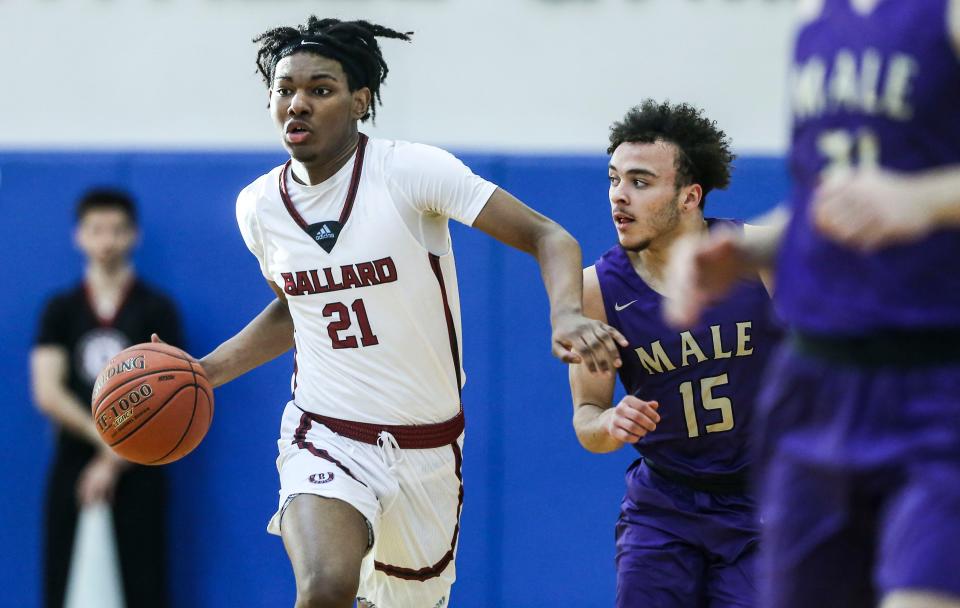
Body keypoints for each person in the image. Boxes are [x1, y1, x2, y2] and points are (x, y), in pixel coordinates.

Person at [160, 17, 624, 608]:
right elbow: (296, 308)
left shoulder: (409, 172)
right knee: (326, 586)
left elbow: (547, 235)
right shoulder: (258, 207)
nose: (297, 104)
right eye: (284, 90)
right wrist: (205, 371)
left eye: (320, 90)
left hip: (428, 447)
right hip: (325, 431)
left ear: (361, 101)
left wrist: (565, 313)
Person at [664, 1, 960, 606]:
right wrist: (746, 251)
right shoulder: (814, 20)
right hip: (816, 383)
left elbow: (904, 194)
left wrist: (925, 200)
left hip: (936, 384)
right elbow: (820, 203)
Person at [570, 100, 780, 608]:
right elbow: (587, 421)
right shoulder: (596, 290)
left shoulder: (756, 257)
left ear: (689, 197)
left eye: (640, 183)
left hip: (763, 500)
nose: (619, 197)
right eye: (614, 179)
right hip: (664, 503)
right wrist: (611, 422)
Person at [30, 189, 182, 608]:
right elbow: (48, 391)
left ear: (134, 235)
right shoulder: (60, 310)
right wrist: (105, 441)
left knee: (144, 585)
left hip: (141, 467)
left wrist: (115, 460)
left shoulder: (157, 309)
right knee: (64, 584)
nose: (107, 240)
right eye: (96, 230)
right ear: (79, 236)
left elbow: (172, 396)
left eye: (117, 230)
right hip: (74, 463)